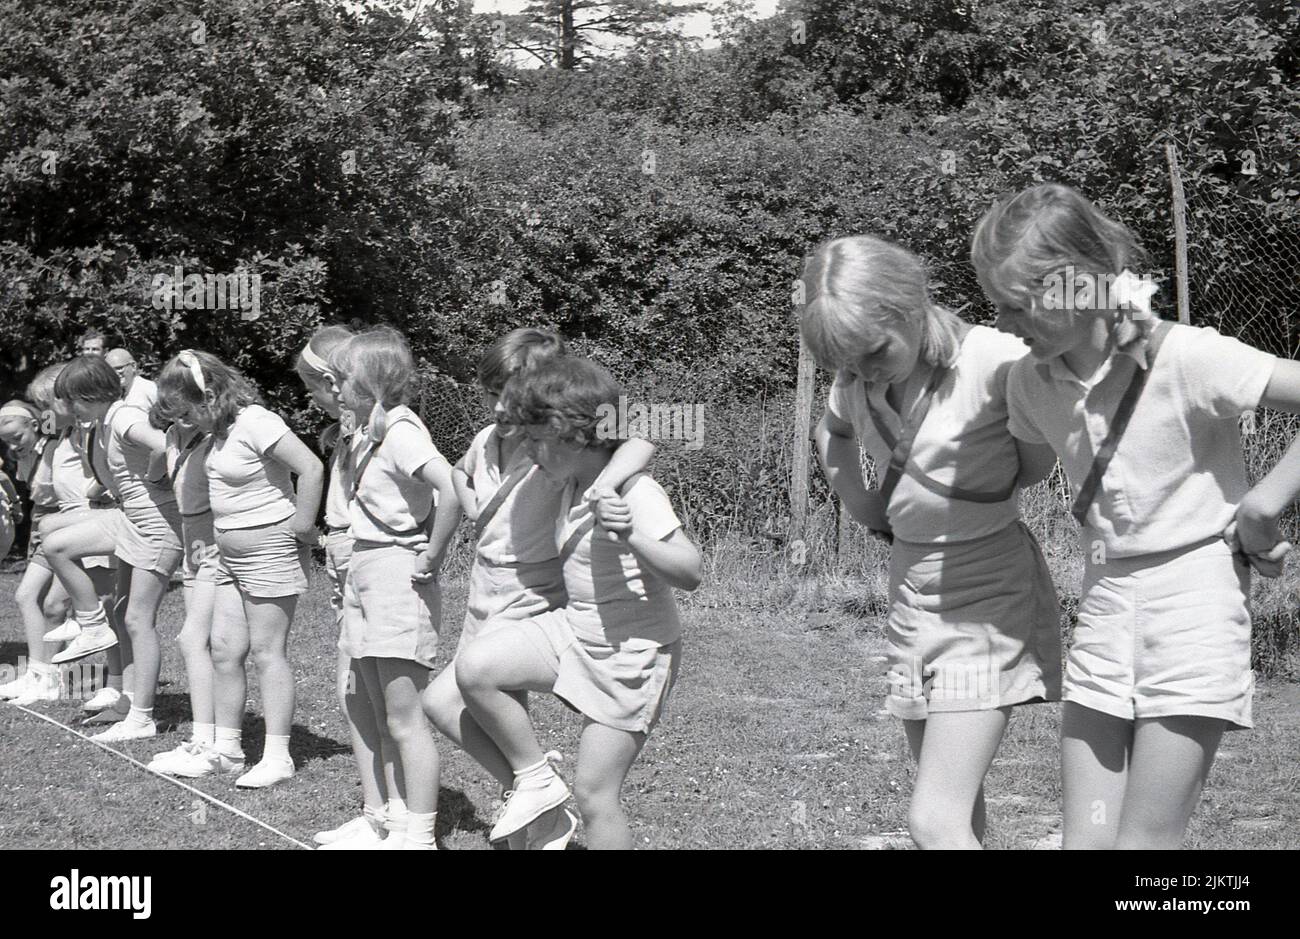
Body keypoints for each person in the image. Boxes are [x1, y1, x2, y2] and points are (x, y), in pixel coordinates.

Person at [970, 182, 1299, 848]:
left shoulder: (1187, 356)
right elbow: (1022, 466)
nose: (1002, 325)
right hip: (1104, 605)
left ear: (1075, 288)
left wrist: (1264, 504)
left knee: (1145, 846)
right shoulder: (1030, 382)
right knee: (1083, 842)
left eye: (1014, 307)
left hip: (1194, 608)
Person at [801, 235, 1062, 849]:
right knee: (957, 808)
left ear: (908, 304)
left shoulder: (994, 360)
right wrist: (864, 504)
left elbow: (1034, 466)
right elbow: (830, 432)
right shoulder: (855, 380)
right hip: (910, 599)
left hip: (985, 595)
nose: (863, 372)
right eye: (847, 362)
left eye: (873, 352)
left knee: (932, 819)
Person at [420, 327, 653, 851]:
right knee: (458, 706)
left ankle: (535, 789)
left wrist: (606, 484)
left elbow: (644, 433)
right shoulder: (486, 440)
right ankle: (536, 801)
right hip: (485, 587)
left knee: (452, 697)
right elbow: (459, 472)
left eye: (511, 392)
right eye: (491, 393)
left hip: (532, 590)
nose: (500, 405)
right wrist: (473, 497)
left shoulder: (551, 443)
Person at [456, 357, 702, 850]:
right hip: (575, 631)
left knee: (594, 795)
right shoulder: (571, 478)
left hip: (631, 654)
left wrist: (631, 535)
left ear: (572, 435)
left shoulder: (636, 491)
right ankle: (537, 780)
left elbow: (691, 572)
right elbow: (635, 432)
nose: (527, 450)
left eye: (535, 439)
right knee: (476, 667)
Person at [153, 350, 323, 788]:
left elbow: (310, 466)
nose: (187, 422)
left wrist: (303, 527)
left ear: (209, 395)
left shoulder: (256, 422)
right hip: (229, 554)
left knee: (268, 652)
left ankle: (278, 756)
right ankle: (226, 751)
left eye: (190, 411)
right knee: (225, 650)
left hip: (269, 550)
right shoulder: (222, 433)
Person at [329, 325, 461, 849]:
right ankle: (395, 822)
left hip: (395, 574)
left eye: (343, 380)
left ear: (372, 382)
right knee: (379, 710)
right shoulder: (370, 430)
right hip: (365, 567)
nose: (336, 389)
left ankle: (420, 837)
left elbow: (450, 485)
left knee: (405, 718)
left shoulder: (403, 431)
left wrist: (433, 551)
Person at [295, 326, 403, 847]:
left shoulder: (383, 428)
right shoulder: (347, 429)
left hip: (368, 559)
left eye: (323, 385)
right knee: (355, 693)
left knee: (377, 696)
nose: (322, 398)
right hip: (345, 555)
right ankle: (377, 809)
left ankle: (395, 814)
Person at [39, 356, 183, 743]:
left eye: (72, 399)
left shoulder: (122, 417)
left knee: (137, 619)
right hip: (130, 519)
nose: (67, 408)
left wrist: (154, 478)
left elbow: (165, 444)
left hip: (156, 525)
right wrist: (110, 487)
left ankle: (142, 717)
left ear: (90, 394)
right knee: (57, 546)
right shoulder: (103, 422)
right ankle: (95, 631)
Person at [145, 361, 222, 776]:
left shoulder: (216, 439)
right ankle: (205, 736)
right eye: (172, 410)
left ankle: (208, 739)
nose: (179, 417)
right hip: (193, 550)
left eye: (184, 408)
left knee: (192, 639)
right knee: (201, 643)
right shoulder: (174, 435)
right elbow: (158, 477)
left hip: (216, 550)